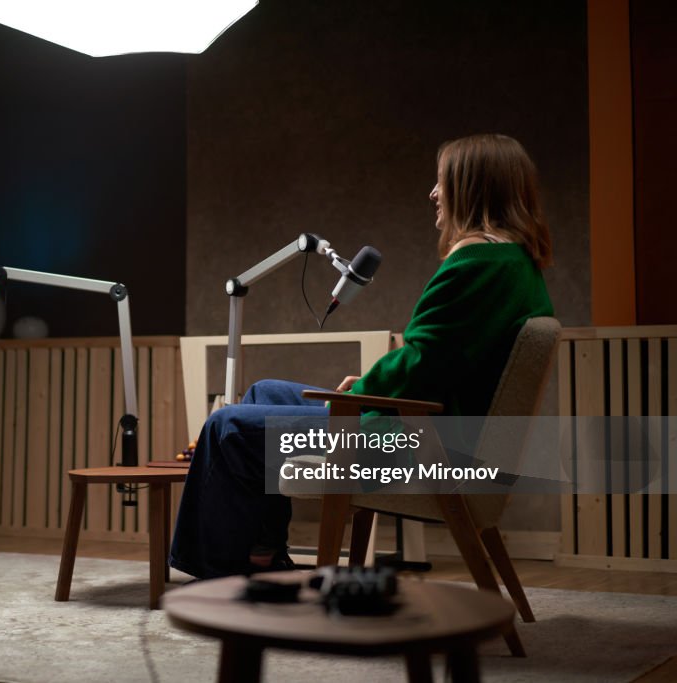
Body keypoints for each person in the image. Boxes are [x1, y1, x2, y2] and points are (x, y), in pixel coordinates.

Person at [170, 133, 555, 579]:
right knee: (262, 391)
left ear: (474, 188)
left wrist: (365, 394)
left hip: (413, 444)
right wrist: (370, 387)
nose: (433, 193)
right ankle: (262, 556)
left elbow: (422, 366)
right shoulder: (514, 263)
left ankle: (218, 572)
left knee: (225, 426)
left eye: (442, 182)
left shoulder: (476, 264)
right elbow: (435, 360)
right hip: (432, 431)